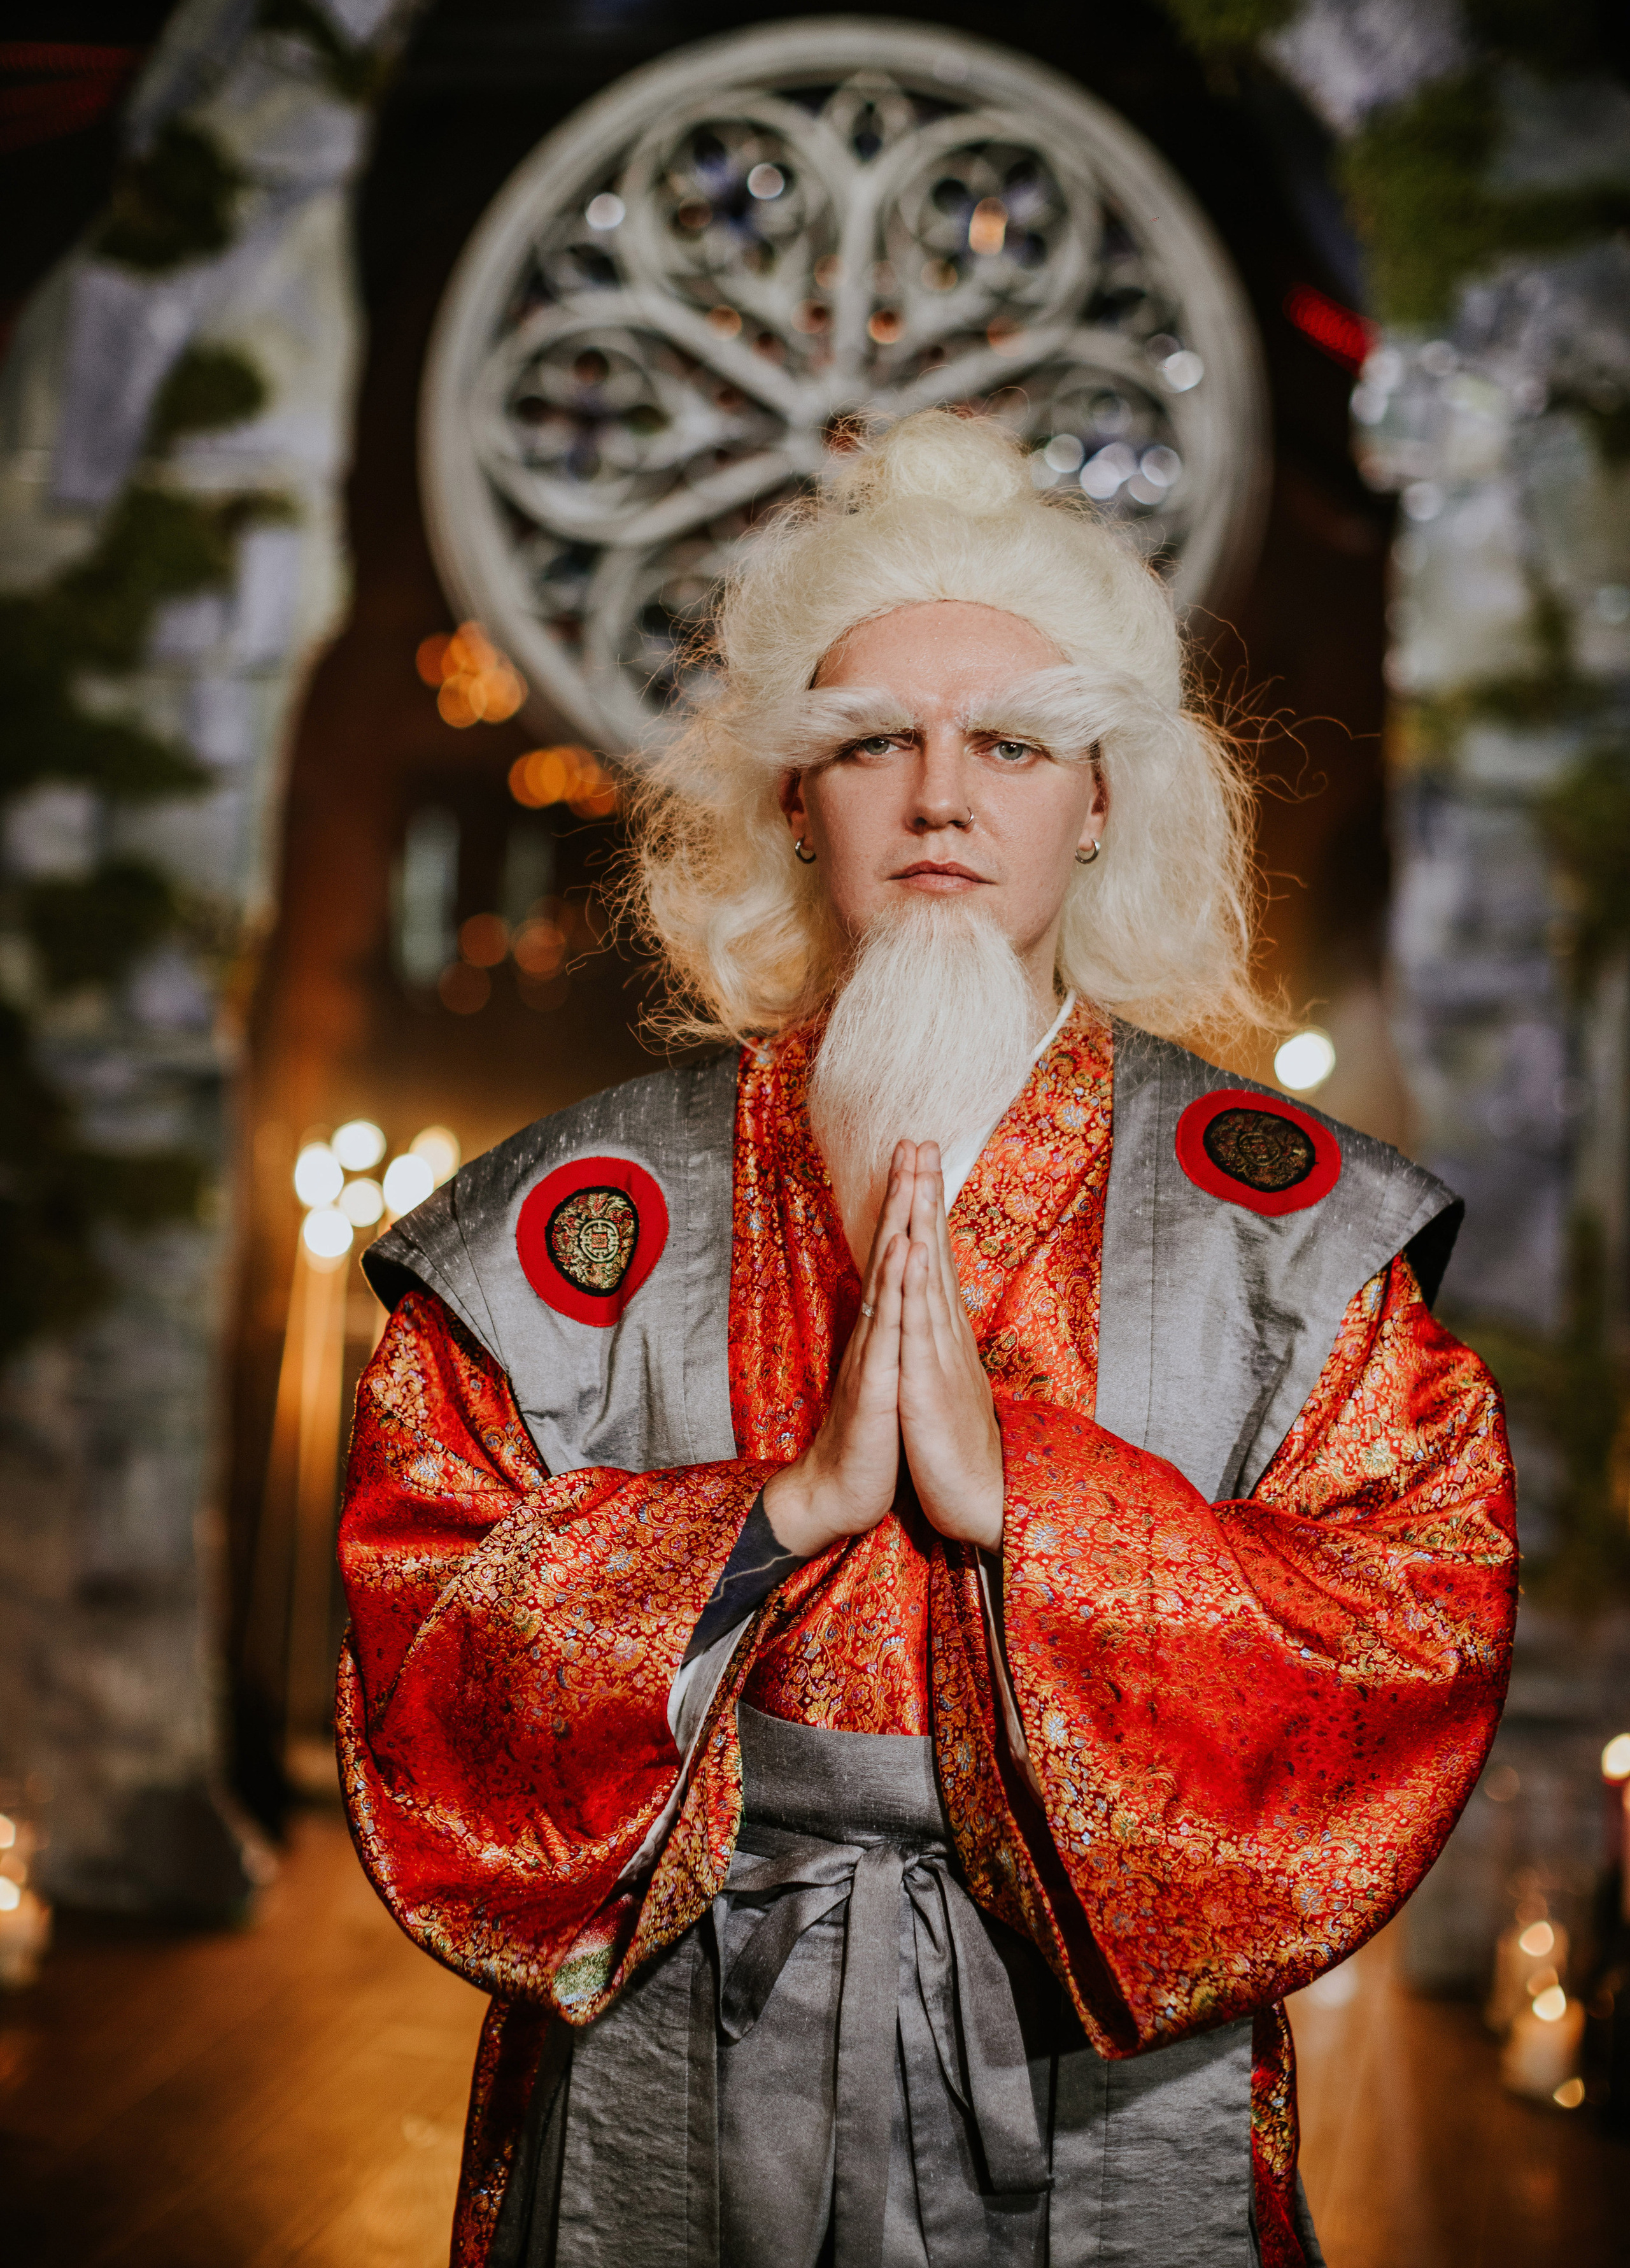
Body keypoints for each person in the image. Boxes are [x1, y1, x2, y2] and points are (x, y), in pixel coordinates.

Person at [338, 410, 1516, 2268]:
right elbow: (421, 1635)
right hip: (676, 2023)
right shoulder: (571, 1225)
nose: (943, 799)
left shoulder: (1285, 1231)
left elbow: (1410, 1631)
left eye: (1016, 744)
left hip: (1105, 2051)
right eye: (874, 740)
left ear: (1102, 798)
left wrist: (1033, 1501)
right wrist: (767, 1516)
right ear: (790, 801)